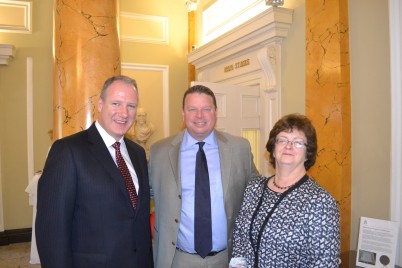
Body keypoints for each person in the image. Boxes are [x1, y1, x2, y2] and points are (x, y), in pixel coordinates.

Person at [35, 75, 153, 268]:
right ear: (100, 104)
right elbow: (52, 232)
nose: (124, 113)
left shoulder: (137, 153)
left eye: (131, 106)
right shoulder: (68, 151)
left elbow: (137, 220)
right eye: (116, 103)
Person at [149, 84, 259, 268]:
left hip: (225, 259)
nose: (199, 116)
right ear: (183, 114)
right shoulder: (159, 152)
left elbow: (256, 195)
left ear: (216, 112)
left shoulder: (240, 148)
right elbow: (142, 198)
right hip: (177, 260)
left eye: (206, 109)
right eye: (192, 109)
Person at [231, 113, 340, 268]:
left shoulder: (320, 202)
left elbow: (324, 264)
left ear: (307, 154)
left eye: (297, 142)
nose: (288, 146)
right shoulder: (254, 189)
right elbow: (239, 239)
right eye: (282, 140)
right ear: (273, 149)